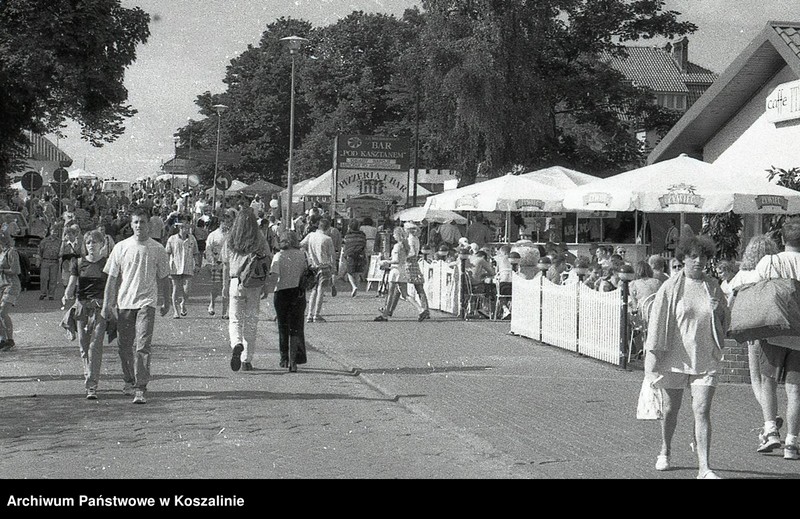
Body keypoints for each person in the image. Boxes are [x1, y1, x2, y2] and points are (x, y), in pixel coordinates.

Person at [644, 235, 728, 479]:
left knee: (701, 410)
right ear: (683, 258)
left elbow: (724, 321)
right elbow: (657, 323)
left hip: (705, 358)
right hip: (674, 358)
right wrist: (652, 361)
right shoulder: (670, 288)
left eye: (703, 256)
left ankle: (704, 467)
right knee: (671, 409)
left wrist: (719, 309)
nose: (699, 261)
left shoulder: (712, 286)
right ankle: (665, 449)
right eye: (693, 257)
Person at [101, 206, 170, 404]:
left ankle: (141, 387)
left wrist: (165, 301)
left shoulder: (157, 249)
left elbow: (164, 277)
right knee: (124, 346)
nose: (139, 225)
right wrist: (108, 304)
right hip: (125, 303)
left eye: (143, 222)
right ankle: (128, 379)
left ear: (149, 225)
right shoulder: (121, 247)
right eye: (136, 222)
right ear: (131, 225)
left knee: (143, 344)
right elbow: (112, 279)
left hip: (146, 303)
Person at [728, 234, 783, 453]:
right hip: (774, 329)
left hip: (752, 331)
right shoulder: (773, 271)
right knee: (772, 379)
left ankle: (770, 418)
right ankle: (770, 421)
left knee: (757, 379)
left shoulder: (743, 275)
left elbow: (730, 300)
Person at [752, 219, 800, 460]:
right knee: (795, 390)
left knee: (767, 380)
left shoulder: (771, 262)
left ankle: (771, 430)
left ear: (782, 240)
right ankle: (792, 443)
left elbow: (753, 285)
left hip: (773, 331)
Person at [221, 208, 272, 372]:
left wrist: (224, 285)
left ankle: (236, 343)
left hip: (236, 281)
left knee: (235, 319)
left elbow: (225, 264)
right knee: (251, 321)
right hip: (254, 283)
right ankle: (247, 360)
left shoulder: (231, 238)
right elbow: (266, 262)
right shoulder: (260, 239)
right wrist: (265, 284)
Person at [61, 230, 109, 400]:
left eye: (95, 242)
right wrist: (66, 294)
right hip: (82, 307)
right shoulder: (78, 262)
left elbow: (111, 286)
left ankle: (92, 384)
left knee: (95, 347)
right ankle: (88, 375)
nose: (91, 246)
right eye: (88, 243)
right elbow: (72, 283)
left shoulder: (107, 263)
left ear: (101, 245)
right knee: (84, 346)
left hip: (99, 308)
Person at [270, 230, 307, 372]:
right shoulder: (302, 255)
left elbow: (274, 276)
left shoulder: (279, 256)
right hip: (298, 292)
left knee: (283, 327)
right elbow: (305, 272)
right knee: (296, 327)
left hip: (281, 293)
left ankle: (284, 358)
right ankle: (294, 360)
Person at [374, 226, 425, 321]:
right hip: (403, 270)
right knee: (405, 294)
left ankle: (385, 315)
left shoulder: (398, 246)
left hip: (395, 271)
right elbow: (402, 258)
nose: (393, 236)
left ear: (398, 235)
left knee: (390, 293)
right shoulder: (406, 245)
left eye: (394, 234)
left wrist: (385, 262)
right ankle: (420, 309)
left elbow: (396, 260)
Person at [300, 218, 335, 323]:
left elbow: (301, 245)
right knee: (321, 290)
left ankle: (309, 315)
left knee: (313, 291)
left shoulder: (311, 235)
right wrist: (334, 270)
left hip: (313, 267)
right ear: (328, 228)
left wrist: (308, 254)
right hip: (324, 267)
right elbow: (332, 256)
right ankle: (317, 314)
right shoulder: (327, 239)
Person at [164, 217, 200, 319]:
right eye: (184, 228)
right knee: (175, 289)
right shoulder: (172, 239)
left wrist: (197, 264)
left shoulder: (192, 239)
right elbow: (167, 252)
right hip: (175, 267)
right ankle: (175, 311)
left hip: (188, 266)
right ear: (180, 228)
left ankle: (183, 303)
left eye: (188, 228)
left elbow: (196, 253)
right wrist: (166, 265)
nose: (187, 230)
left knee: (187, 289)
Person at [205, 211, 232, 318]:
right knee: (216, 287)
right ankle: (212, 303)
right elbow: (208, 249)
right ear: (221, 222)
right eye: (226, 222)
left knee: (227, 287)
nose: (228, 225)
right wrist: (212, 262)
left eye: (230, 222)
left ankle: (225, 311)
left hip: (228, 264)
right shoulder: (213, 235)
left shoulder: (231, 235)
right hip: (216, 264)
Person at [404, 221, 430, 321]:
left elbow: (412, 253)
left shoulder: (410, 239)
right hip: (414, 262)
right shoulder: (416, 238)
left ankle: (424, 309)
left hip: (410, 263)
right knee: (419, 287)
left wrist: (404, 256)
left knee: (403, 286)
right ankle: (425, 308)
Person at [0, 231, 21, 352]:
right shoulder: (1, 253)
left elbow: (15, 270)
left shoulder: (11, 252)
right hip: (1, 285)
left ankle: (10, 339)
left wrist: (2, 269)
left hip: (11, 285)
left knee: (2, 312)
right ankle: (2, 339)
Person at [342, 219, 367, 297]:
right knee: (357, 273)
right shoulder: (362, 235)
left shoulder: (347, 235)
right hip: (360, 254)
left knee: (350, 272)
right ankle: (356, 288)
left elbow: (346, 245)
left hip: (350, 255)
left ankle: (354, 286)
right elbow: (364, 244)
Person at [37, 225, 62, 301]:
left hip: (55, 262)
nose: (55, 233)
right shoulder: (44, 241)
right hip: (45, 261)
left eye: (56, 232)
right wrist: (38, 261)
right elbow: (39, 251)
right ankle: (43, 293)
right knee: (44, 278)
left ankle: (51, 294)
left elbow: (61, 251)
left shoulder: (60, 242)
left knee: (53, 279)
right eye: (53, 231)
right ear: (50, 231)